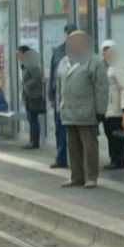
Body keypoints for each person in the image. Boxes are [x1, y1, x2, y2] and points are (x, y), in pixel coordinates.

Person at [57, 31, 108, 189]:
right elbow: (60, 86)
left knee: (89, 146)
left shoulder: (94, 61)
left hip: (87, 111)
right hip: (69, 111)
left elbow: (101, 88)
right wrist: (60, 105)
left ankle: (91, 177)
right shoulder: (65, 61)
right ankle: (76, 176)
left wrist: (100, 110)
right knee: (73, 147)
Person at [48, 24, 77, 168]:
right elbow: (53, 73)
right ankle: (61, 158)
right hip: (59, 96)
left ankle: (77, 161)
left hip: (75, 97)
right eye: (69, 33)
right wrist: (51, 95)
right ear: (65, 34)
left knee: (74, 131)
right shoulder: (58, 51)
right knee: (59, 129)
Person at [101, 39, 124, 170]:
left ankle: (119, 160)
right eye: (105, 50)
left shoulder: (117, 66)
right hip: (106, 108)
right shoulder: (104, 66)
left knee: (117, 136)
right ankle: (113, 158)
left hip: (116, 109)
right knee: (109, 134)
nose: (106, 53)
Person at [17, 46, 45, 149]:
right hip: (28, 96)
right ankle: (32, 140)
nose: (18, 56)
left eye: (19, 53)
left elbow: (37, 78)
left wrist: (26, 85)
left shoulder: (32, 64)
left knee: (33, 120)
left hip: (34, 95)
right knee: (31, 119)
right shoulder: (25, 65)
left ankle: (34, 142)